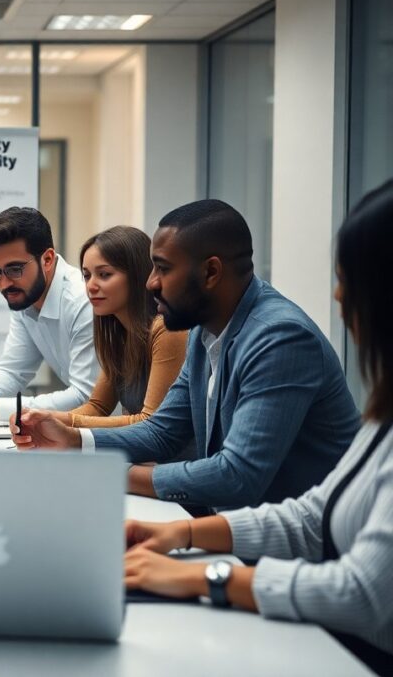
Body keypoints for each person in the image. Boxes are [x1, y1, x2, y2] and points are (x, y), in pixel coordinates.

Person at [123, 179, 393, 675]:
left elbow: (362, 594)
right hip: (321, 624)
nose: (337, 296)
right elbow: (310, 518)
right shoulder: (383, 418)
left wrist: (207, 577)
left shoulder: (280, 334)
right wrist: (181, 534)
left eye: (349, 279)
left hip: (354, 651)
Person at [11, 200, 360, 511]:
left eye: (162, 268)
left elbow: (236, 477)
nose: (150, 283)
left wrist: (108, 473)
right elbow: (162, 432)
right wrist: (72, 439)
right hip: (240, 527)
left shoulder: (280, 337)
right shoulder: (202, 329)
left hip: (306, 548)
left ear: (210, 272)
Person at [0, 206, 99, 426]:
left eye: (14, 269)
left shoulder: (84, 301)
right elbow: (13, 370)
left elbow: (86, 399)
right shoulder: (24, 296)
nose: (4, 283)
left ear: (48, 259)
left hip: (122, 434)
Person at [57, 226, 188, 429]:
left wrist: (63, 422)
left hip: (177, 460)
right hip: (141, 457)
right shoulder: (120, 335)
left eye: (104, 274)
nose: (91, 286)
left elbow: (150, 421)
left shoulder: (166, 330)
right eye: (87, 275)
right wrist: (44, 421)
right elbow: (97, 407)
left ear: (138, 276)